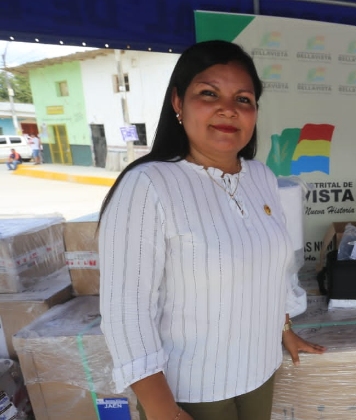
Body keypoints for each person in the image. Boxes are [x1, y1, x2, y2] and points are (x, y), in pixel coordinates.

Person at [98, 40, 325, 420]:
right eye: (209, 93)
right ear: (178, 103)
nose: (228, 109)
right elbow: (126, 311)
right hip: (191, 391)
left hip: (260, 370)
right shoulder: (149, 185)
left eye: (243, 99)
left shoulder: (262, 177)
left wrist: (284, 327)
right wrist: (162, 410)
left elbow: (277, 269)